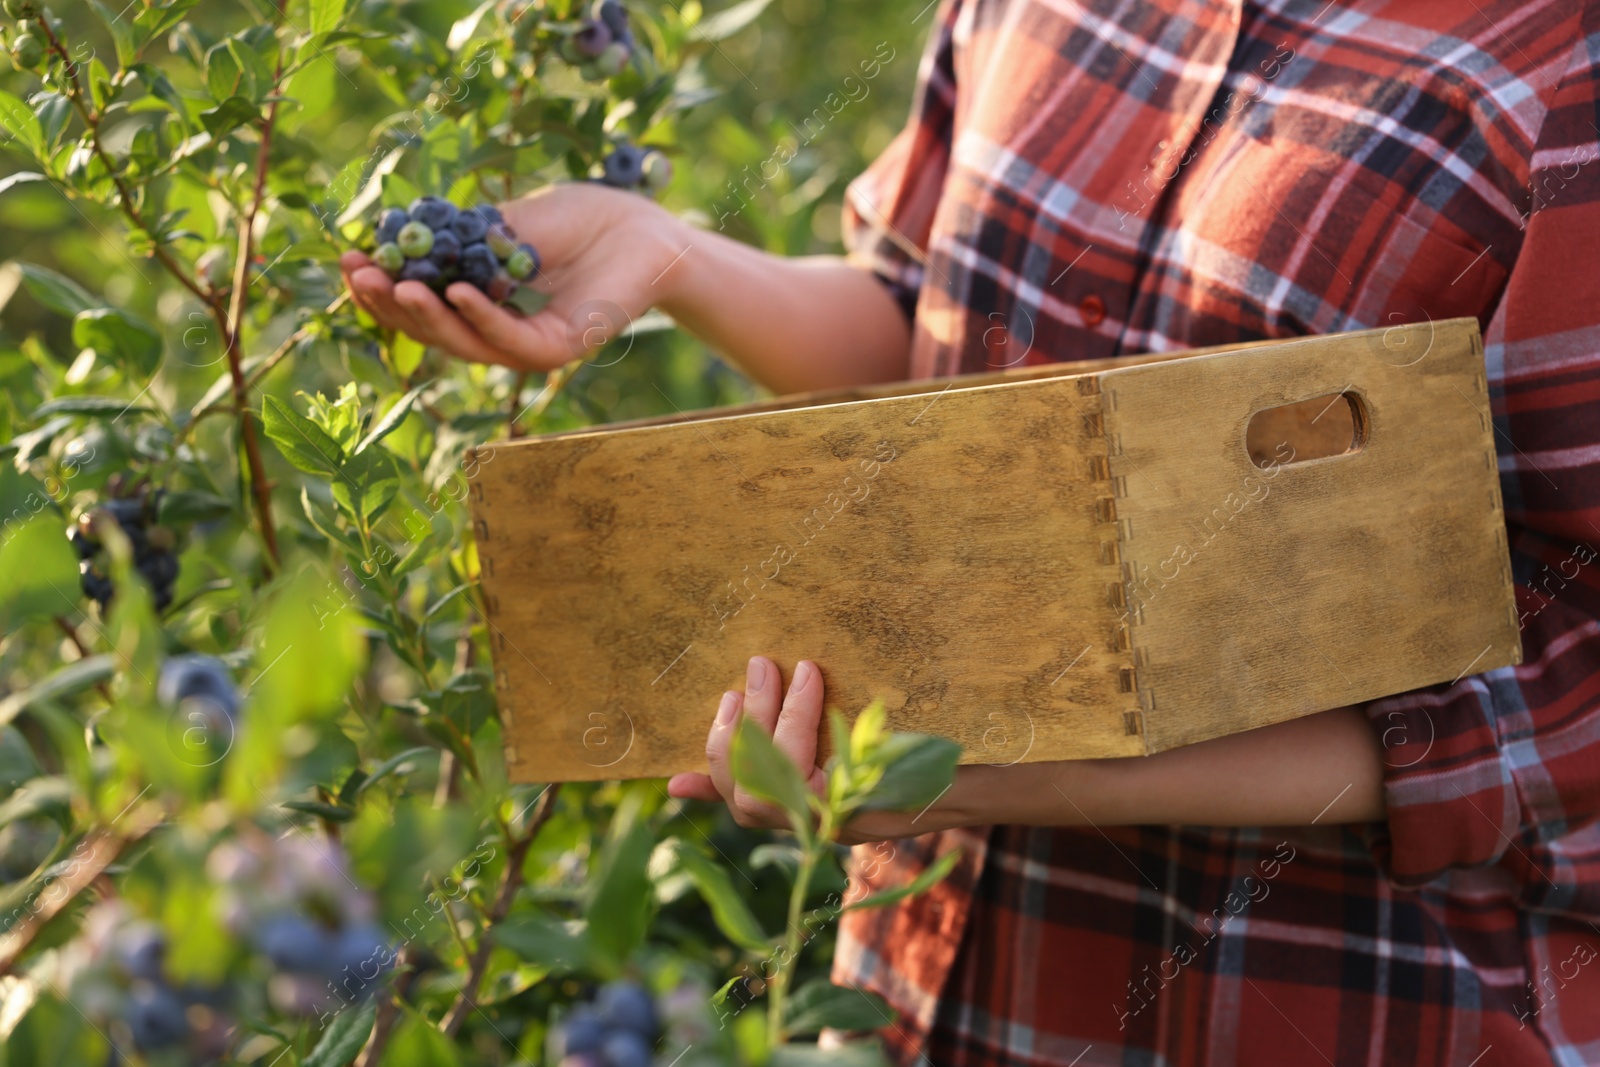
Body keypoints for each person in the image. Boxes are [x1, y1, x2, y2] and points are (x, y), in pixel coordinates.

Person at [341, 0, 1600, 1061]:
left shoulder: (1555, 70)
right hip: (925, 1000)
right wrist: (668, 252)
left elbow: (1567, 695)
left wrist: (999, 767)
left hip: (1324, 1009)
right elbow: (923, 327)